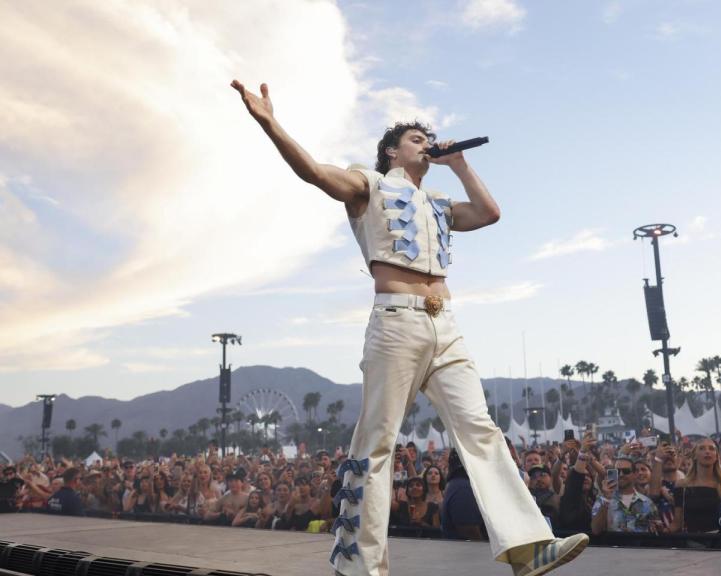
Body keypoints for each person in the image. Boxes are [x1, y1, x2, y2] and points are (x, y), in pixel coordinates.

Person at [231, 79, 587, 576]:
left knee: (481, 431)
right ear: (391, 151)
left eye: (428, 138)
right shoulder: (368, 186)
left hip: (447, 326)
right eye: (416, 139)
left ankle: (528, 547)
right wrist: (271, 123)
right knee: (377, 443)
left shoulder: (438, 201)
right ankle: (361, 567)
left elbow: (489, 213)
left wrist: (459, 163)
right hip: (396, 321)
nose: (426, 143)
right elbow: (313, 172)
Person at [671, 437, 721, 534]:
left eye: (711, 449)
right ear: (694, 455)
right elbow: (677, 522)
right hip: (693, 543)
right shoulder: (682, 485)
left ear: (716, 456)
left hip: (719, 543)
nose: (707, 451)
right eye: (702, 448)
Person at [591, 456, 658, 534]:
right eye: (618, 471)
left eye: (626, 471)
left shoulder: (647, 503)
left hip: (639, 545)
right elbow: (595, 530)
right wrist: (607, 499)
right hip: (612, 545)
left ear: (634, 474)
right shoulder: (602, 500)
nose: (621, 474)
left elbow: (656, 531)